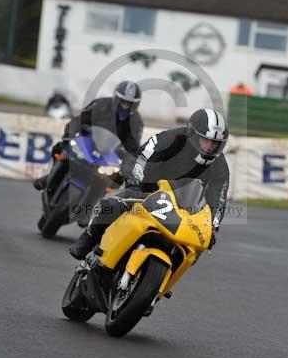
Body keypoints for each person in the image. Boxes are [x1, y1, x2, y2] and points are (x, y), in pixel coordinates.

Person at [69, 108, 230, 260]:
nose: (210, 147)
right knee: (113, 204)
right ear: (193, 134)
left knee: (196, 247)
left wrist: (212, 227)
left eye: (215, 144)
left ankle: (162, 282)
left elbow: (218, 199)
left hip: (183, 209)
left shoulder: (220, 166)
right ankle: (88, 239)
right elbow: (141, 156)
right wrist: (134, 178)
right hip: (149, 191)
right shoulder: (171, 138)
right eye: (206, 141)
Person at [33, 80, 144, 192]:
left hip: (110, 153)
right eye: (123, 102)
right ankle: (49, 178)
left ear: (135, 104)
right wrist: (69, 135)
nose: (125, 106)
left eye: (129, 103)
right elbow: (78, 121)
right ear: (117, 98)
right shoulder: (100, 104)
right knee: (61, 147)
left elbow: (133, 148)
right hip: (87, 141)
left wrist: (128, 169)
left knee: (114, 181)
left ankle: (94, 201)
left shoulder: (136, 122)